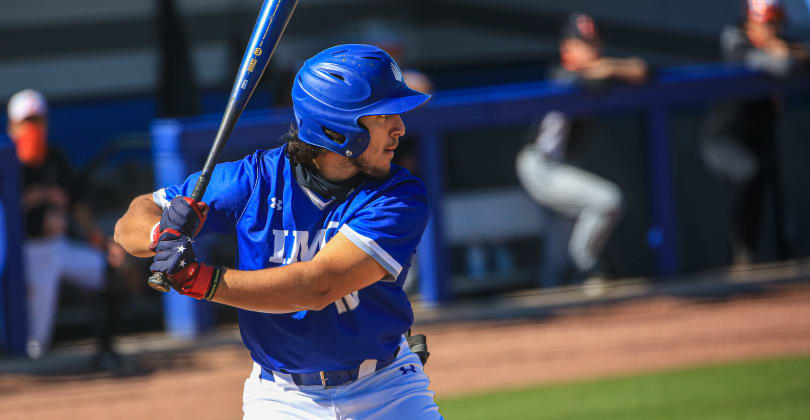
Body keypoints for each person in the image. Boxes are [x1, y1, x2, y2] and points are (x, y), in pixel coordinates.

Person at [114, 44, 441, 419]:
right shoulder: (254, 180)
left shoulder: (398, 195)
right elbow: (131, 221)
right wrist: (162, 234)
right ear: (338, 129)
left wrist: (201, 280)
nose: (400, 128)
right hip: (281, 397)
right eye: (384, 116)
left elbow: (319, 285)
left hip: (385, 389)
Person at [515, 13, 648, 287]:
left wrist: (608, 67)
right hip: (540, 166)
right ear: (566, 49)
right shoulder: (561, 75)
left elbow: (642, 70)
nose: (593, 51)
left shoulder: (594, 71)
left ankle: (565, 290)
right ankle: (587, 264)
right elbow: (589, 80)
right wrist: (609, 68)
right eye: (584, 45)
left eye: (594, 44)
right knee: (608, 200)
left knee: (555, 261)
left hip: (559, 167)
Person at [7, 89, 123, 362]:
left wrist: (99, 239)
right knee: (36, 343)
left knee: (110, 271)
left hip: (58, 248)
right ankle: (31, 365)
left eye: (38, 120)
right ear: (12, 125)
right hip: (24, 252)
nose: (33, 127)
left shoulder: (55, 157)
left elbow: (76, 202)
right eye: (27, 121)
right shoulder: (6, 161)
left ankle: (105, 348)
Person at [701, 0, 807, 263]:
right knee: (749, 172)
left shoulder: (782, 43)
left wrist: (788, 50)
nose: (773, 31)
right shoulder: (736, 43)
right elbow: (781, 67)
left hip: (758, 136)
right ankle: (742, 255)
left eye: (776, 25)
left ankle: (779, 252)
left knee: (773, 181)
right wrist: (782, 51)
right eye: (766, 25)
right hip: (723, 137)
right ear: (750, 23)